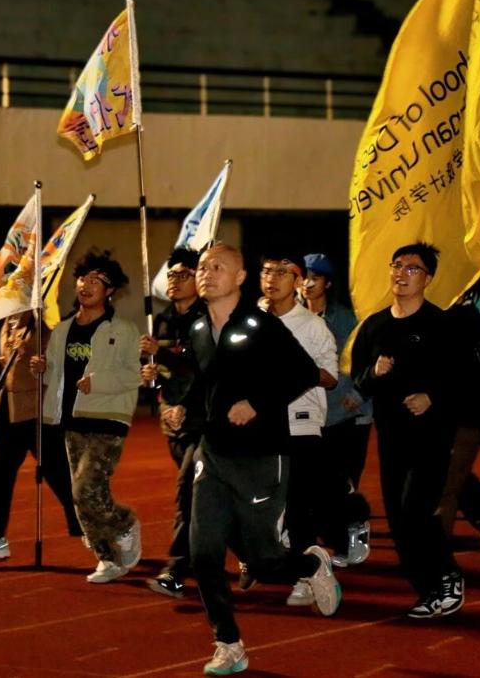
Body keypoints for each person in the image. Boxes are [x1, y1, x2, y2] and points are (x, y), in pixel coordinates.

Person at [151, 243, 341, 676]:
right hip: (213, 454)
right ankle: (228, 643)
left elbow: (303, 373)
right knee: (203, 554)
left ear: (239, 278)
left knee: (263, 560)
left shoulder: (261, 325)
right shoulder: (199, 328)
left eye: (218, 267)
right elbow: (204, 383)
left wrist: (257, 403)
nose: (207, 273)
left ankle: (311, 563)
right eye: (203, 267)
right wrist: (181, 405)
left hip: (261, 455)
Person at [351, 242, 463, 619]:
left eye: (412, 268)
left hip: (431, 437)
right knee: (399, 520)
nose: (401, 273)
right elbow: (360, 382)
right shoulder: (375, 326)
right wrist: (374, 372)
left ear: (427, 279)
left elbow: (464, 379)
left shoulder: (441, 325)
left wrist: (432, 397)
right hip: (391, 436)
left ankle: (447, 578)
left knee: (416, 511)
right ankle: (428, 590)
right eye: (397, 265)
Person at [31, 251, 143, 584]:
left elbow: (134, 374)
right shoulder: (63, 329)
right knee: (81, 495)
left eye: (96, 281)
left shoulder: (124, 330)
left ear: (110, 290)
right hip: (70, 419)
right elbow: (55, 373)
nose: (86, 285)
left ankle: (124, 524)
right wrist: (41, 369)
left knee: (85, 489)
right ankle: (107, 558)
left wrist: (98, 382)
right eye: (83, 278)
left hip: (108, 418)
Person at [0, 311, 83, 560]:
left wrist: (31, 357)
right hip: (7, 408)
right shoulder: (10, 318)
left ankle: (96, 527)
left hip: (38, 410)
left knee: (61, 475)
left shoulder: (46, 318)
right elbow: (11, 359)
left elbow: (57, 361)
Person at [258, 251, 338, 607]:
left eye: (281, 272)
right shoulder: (251, 320)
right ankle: (266, 560)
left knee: (297, 506)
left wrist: (295, 372)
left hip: (300, 425)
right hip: (259, 425)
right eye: (266, 271)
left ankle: (307, 575)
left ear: (297, 281)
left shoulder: (312, 325)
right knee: (258, 503)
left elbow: (331, 377)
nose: (272, 279)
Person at [140, 247, 208, 598]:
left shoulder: (207, 319)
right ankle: (249, 551)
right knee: (204, 498)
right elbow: (161, 374)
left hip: (203, 422)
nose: (175, 281)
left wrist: (162, 354)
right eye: (171, 275)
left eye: (183, 275)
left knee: (187, 491)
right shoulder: (161, 321)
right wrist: (153, 383)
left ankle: (177, 570)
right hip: (173, 422)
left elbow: (201, 369)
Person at [300, 252, 373, 566]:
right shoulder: (293, 317)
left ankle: (356, 529)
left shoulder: (345, 319)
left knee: (341, 483)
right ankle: (334, 535)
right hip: (312, 415)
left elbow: (364, 360)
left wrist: (358, 395)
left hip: (348, 414)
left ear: (328, 284)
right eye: (304, 277)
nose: (307, 284)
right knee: (316, 484)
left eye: (315, 278)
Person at [438, 286, 480, 556]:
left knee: (449, 482)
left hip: (465, 415)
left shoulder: (471, 322)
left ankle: (437, 554)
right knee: (440, 477)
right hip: (426, 416)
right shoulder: (418, 316)